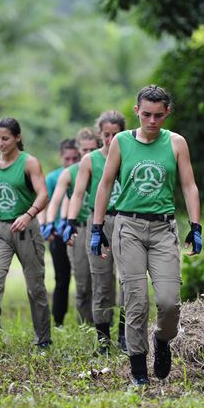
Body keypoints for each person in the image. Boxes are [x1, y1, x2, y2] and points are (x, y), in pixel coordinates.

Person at [91, 85, 201, 386]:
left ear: (167, 113)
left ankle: (162, 340)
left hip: (164, 229)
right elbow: (105, 184)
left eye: (158, 115)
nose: (152, 121)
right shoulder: (122, 142)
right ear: (137, 112)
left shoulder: (176, 143)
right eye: (146, 115)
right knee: (136, 301)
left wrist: (195, 226)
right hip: (129, 226)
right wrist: (97, 228)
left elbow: (189, 186)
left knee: (168, 303)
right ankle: (139, 369)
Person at [0, 117, 52, 352]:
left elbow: (43, 194)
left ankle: (42, 338)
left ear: (17, 137)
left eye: (5, 138)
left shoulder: (29, 163)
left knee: (35, 286)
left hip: (26, 228)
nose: (1, 143)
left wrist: (28, 214)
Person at [65, 111, 127, 354]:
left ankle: (124, 334)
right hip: (98, 221)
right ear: (100, 134)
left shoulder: (129, 154)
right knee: (101, 280)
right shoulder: (90, 160)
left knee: (127, 280)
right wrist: (71, 221)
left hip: (125, 220)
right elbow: (78, 193)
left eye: (115, 134)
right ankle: (103, 339)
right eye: (106, 135)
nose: (111, 139)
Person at [43, 128, 100, 325]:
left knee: (102, 281)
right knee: (77, 281)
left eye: (92, 149)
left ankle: (103, 324)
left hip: (99, 227)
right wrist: (50, 223)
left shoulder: (104, 167)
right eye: (84, 150)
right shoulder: (67, 174)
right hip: (75, 230)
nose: (87, 154)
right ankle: (82, 323)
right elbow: (56, 201)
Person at [37, 139, 79, 327]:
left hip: (77, 231)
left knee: (84, 278)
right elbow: (46, 203)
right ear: (61, 157)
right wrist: (46, 225)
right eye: (67, 158)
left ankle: (85, 319)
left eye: (74, 158)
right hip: (58, 234)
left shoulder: (83, 173)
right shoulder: (53, 178)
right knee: (62, 278)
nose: (71, 162)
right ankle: (58, 320)